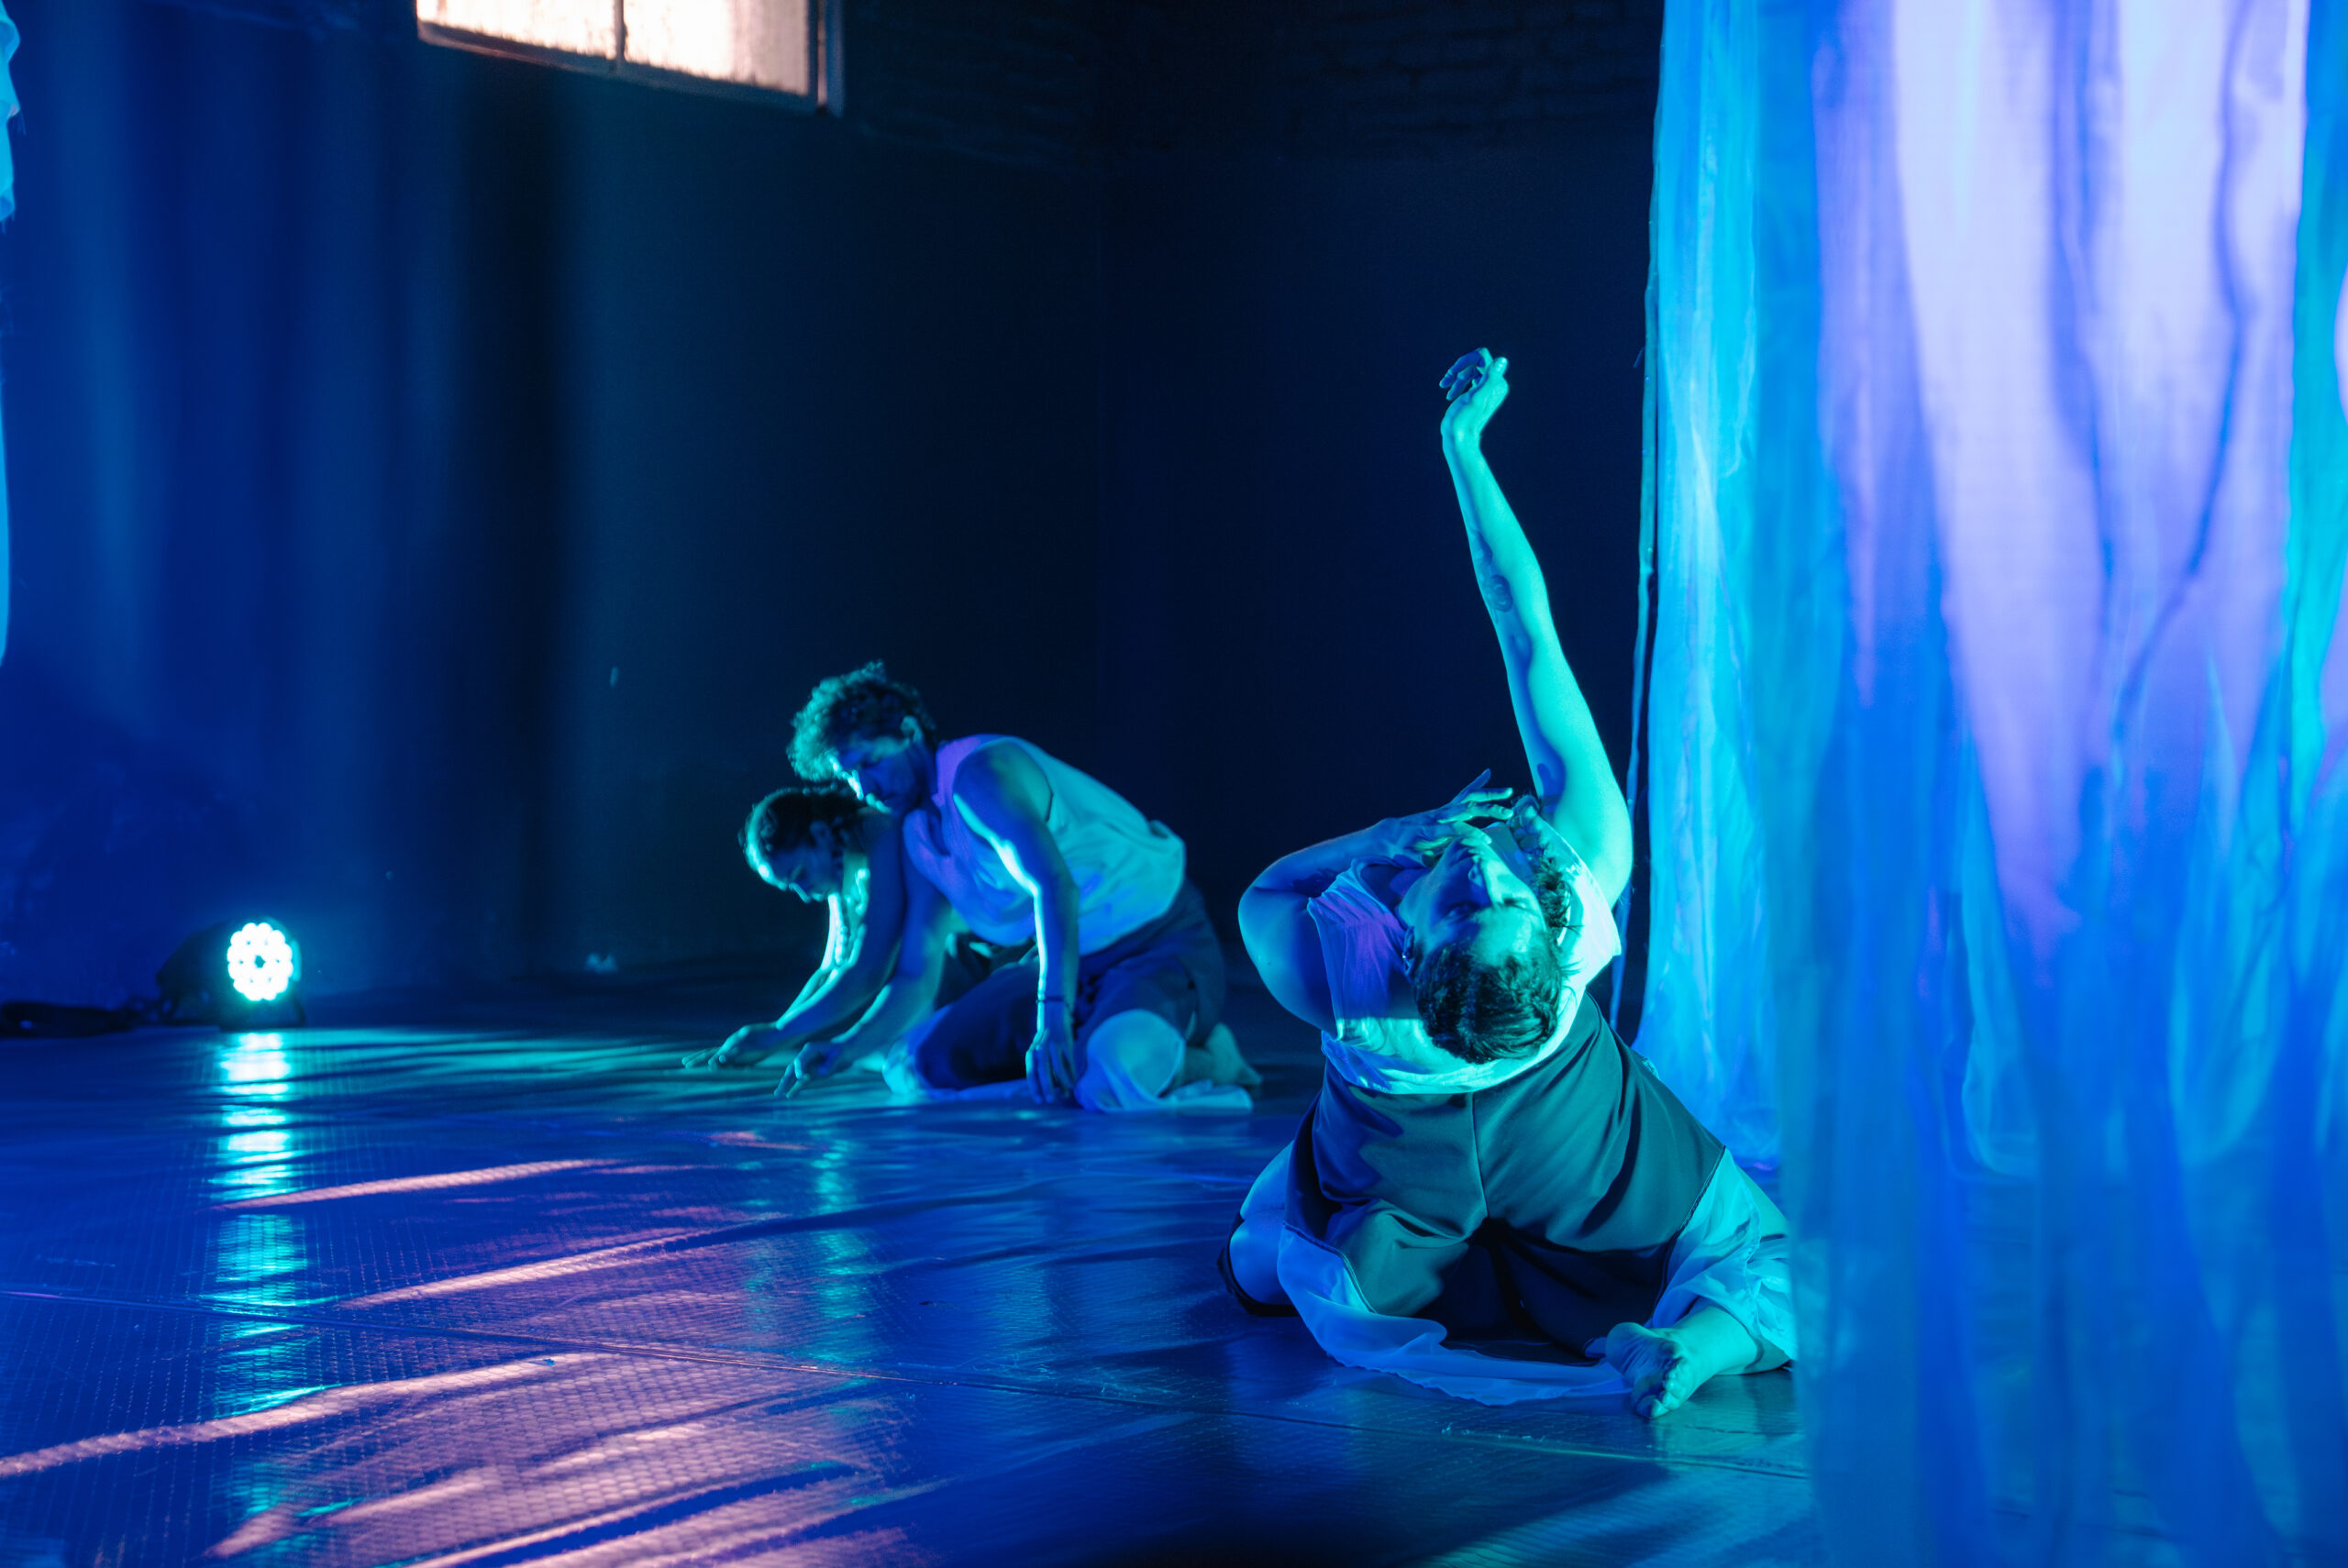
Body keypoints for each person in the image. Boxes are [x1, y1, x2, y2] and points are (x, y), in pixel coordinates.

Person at [1220, 348, 1796, 1416]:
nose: (1485, 868)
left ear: (1407, 948)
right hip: (1581, 1154)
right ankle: (1694, 1344)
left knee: (1269, 1248)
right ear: (1550, 926)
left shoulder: (1339, 970)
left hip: (1406, 1173)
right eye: (1504, 900)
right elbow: (1525, 628)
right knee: (1759, 1249)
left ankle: (1670, 1345)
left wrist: (1382, 837)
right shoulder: (1582, 872)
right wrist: (1467, 448)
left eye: (1465, 901)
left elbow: (1264, 890)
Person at [775, 662, 1257, 1110]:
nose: (864, 789)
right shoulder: (916, 833)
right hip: (1068, 963)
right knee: (914, 1064)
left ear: (908, 732)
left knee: (1109, 1080)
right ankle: (1095, 1045)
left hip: (1155, 944)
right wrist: (846, 1047)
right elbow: (916, 974)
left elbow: (1056, 887)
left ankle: (1212, 1059)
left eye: (870, 763)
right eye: (849, 776)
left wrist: (1052, 1020)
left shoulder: (979, 775)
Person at [683, 784, 995, 1073]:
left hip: (992, 955)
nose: (806, 895)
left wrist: (777, 1034)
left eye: (801, 874)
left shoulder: (880, 833)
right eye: (792, 887)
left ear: (820, 833)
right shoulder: (839, 857)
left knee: (906, 1052)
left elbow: (868, 971)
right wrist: (770, 1035)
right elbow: (832, 969)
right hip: (962, 964)